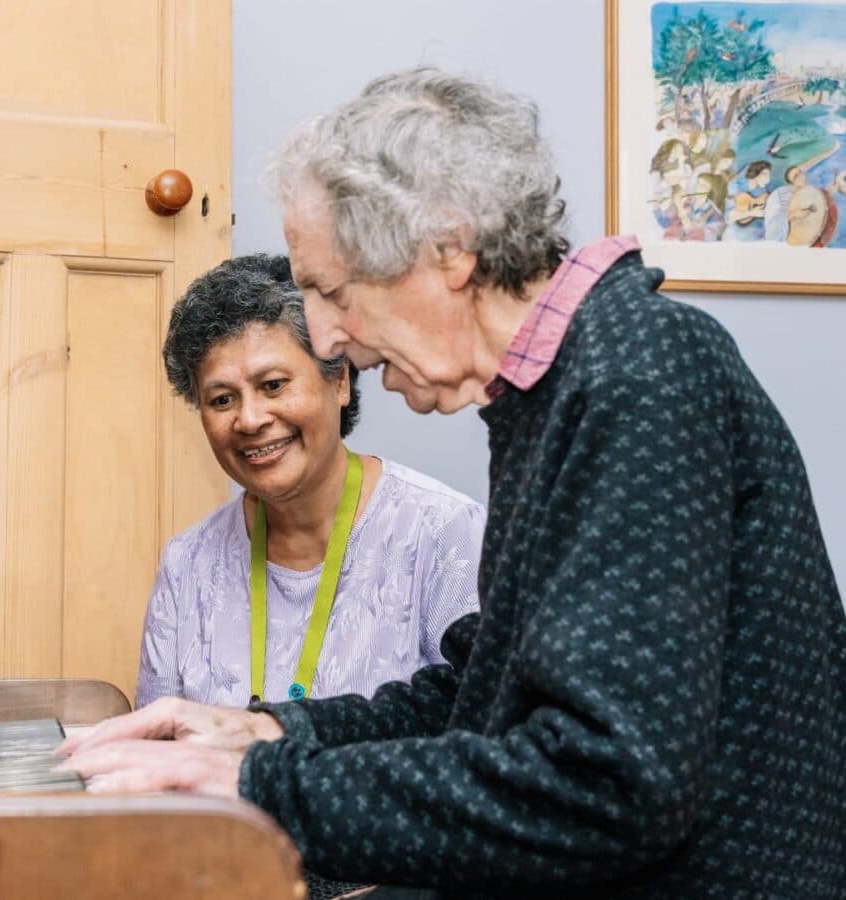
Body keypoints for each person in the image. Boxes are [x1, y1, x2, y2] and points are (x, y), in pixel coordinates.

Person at [60, 68, 845, 898]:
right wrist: (265, 733)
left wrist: (264, 788)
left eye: (330, 292)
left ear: (451, 249)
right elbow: (482, 691)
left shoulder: (636, 375)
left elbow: (611, 783)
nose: (326, 340)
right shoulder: (559, 390)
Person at [135, 253, 484, 710]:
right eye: (222, 399)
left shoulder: (447, 534)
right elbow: (158, 752)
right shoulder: (187, 566)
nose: (251, 418)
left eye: (274, 385)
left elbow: (482, 732)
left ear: (339, 382)